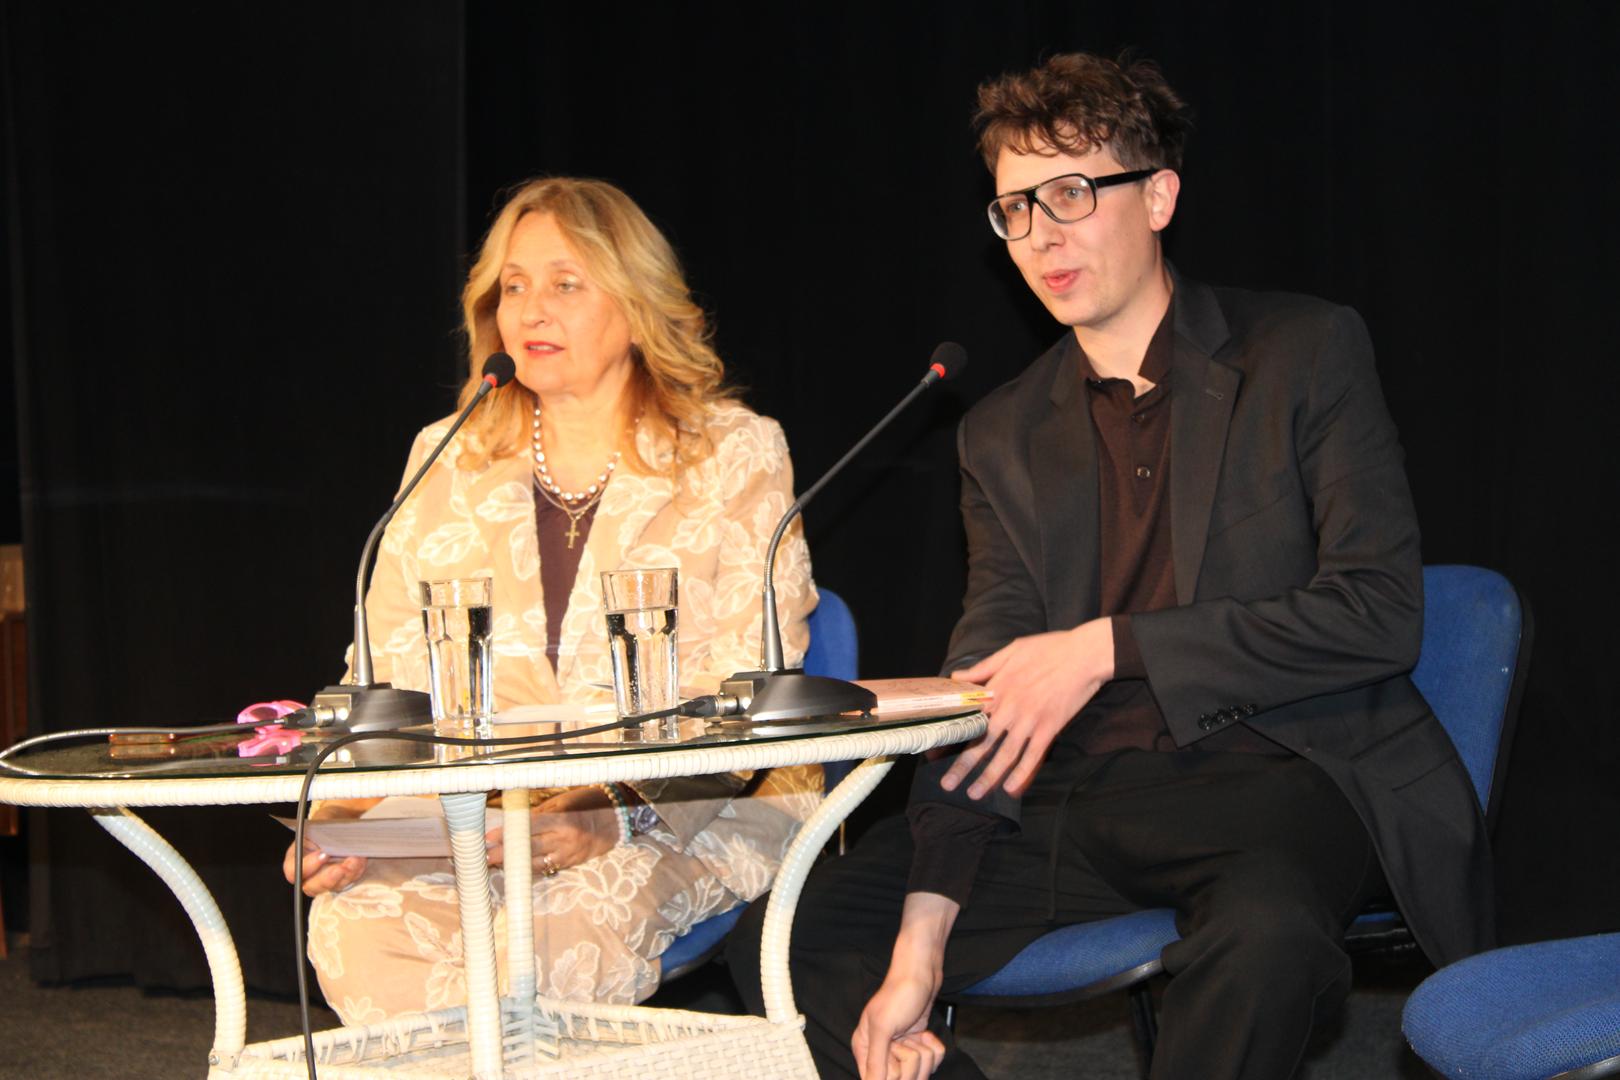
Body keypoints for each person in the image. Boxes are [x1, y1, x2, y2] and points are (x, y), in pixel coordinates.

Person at [728, 52, 1491, 1080]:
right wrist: (920, 945)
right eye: (1014, 209)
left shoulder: (1302, 353)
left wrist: (1106, 648)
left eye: (1072, 194)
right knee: (790, 940)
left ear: (1159, 197)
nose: (1041, 235)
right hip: (1078, 794)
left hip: (1277, 772)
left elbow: (1378, 613)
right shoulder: (1002, 433)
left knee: (1262, 937)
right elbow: (987, 686)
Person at [282, 177, 821, 1025]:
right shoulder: (447, 454)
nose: (532, 310)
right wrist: (343, 818)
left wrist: (611, 813)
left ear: (636, 304)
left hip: (683, 810)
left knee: (539, 948)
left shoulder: (734, 452)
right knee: (355, 925)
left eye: (567, 284)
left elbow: (750, 695)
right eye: (514, 286)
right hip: (474, 816)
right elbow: (384, 678)